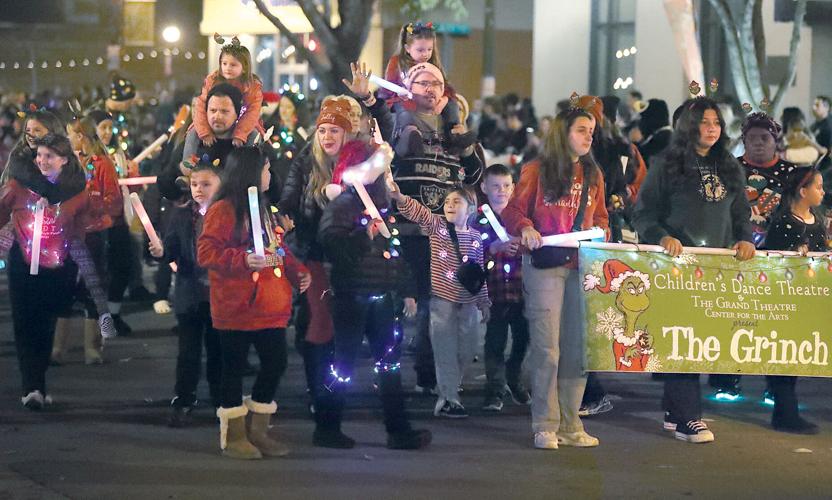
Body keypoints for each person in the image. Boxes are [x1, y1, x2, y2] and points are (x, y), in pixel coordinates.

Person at [633, 96, 755, 444]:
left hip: (718, 270)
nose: (712, 128)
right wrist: (663, 237)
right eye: (705, 122)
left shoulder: (730, 165)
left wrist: (745, 240)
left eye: (717, 122)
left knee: (703, 339)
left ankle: (674, 412)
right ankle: (689, 418)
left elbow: (741, 214)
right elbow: (643, 213)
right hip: (677, 269)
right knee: (684, 340)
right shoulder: (666, 164)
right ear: (690, 126)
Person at [502, 104, 608, 450]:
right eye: (581, 129)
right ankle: (544, 423)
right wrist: (526, 227)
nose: (588, 136)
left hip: (582, 266)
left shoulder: (594, 175)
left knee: (578, 349)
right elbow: (514, 209)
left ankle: (571, 422)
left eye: (591, 130)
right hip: (546, 264)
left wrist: (602, 232)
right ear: (564, 134)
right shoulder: (537, 170)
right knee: (548, 348)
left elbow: (603, 216)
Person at [314, 140, 432, 449]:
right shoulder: (343, 205)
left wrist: (404, 288)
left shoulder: (380, 206)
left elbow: (394, 251)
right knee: (342, 367)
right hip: (351, 297)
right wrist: (362, 237)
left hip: (381, 298)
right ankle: (326, 426)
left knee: (389, 365)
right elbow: (332, 246)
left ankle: (398, 430)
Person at [197, 146, 310, 459]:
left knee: (276, 362)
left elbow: (279, 247)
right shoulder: (223, 211)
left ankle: (257, 429)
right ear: (250, 171)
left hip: (270, 307)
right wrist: (243, 259)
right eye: (265, 169)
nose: (269, 175)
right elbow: (207, 253)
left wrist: (297, 271)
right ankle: (233, 435)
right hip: (237, 306)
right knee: (232, 368)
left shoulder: (264, 208)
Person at [1, 134, 90, 409]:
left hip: (57, 264)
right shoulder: (19, 185)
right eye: (39, 155)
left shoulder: (76, 190)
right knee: (25, 322)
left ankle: (39, 378)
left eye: (49, 156)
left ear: (65, 160)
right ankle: (32, 386)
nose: (42, 161)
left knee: (46, 322)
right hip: (23, 262)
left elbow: (81, 228)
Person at [278, 97, 353, 414]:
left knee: (343, 325)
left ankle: (336, 387)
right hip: (312, 253)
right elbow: (288, 200)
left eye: (335, 130)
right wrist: (285, 216)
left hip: (348, 258)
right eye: (323, 130)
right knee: (316, 322)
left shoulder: (357, 163)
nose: (328, 137)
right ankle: (317, 390)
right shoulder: (306, 160)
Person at [393, 183, 490, 418]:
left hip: (467, 303)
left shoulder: (476, 237)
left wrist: (484, 301)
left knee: (467, 349)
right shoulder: (438, 227)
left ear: (471, 208)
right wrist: (399, 196)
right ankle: (448, 398)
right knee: (444, 350)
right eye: (447, 202)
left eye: (457, 202)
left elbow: (478, 273)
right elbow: (418, 212)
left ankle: (448, 389)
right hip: (442, 301)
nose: (450, 206)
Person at [150, 160, 223, 427]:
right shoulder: (181, 214)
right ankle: (184, 397)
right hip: (190, 292)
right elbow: (171, 248)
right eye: (194, 184)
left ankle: (221, 399)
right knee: (188, 352)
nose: (199, 190)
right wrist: (161, 252)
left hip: (218, 295)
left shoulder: (226, 214)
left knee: (218, 351)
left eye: (206, 184)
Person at [51, 116, 122, 365]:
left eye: (70, 134)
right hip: (66, 236)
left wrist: (91, 210)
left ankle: (92, 349)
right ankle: (58, 348)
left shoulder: (102, 164)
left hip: (93, 236)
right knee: (63, 289)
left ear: (80, 137)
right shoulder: (65, 164)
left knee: (93, 288)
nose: (67, 139)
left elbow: (114, 200)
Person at [761, 166, 824, 434]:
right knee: (784, 353)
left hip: (811, 298)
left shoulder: (817, 220)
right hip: (785, 297)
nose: (823, 191)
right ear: (802, 190)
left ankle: (786, 408)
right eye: (818, 186)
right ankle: (785, 412)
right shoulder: (784, 222)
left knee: (797, 354)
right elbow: (774, 258)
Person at [473, 164, 530, 412]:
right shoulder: (478, 219)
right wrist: (492, 249)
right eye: (495, 186)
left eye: (506, 186)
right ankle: (495, 388)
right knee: (494, 340)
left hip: (520, 287)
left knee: (522, 338)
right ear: (484, 187)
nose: (501, 191)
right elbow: (470, 253)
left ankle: (513, 378)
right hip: (494, 288)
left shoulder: (520, 219)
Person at [381, 22, 475, 153]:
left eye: (429, 50)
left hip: (431, 102)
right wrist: (400, 96)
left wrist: (444, 100)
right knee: (404, 113)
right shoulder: (397, 63)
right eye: (420, 50)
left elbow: (446, 87)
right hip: (404, 102)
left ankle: (454, 136)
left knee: (452, 105)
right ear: (407, 48)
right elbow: (388, 91)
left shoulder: (433, 64)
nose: (425, 54)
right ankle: (413, 139)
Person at [193, 35, 263, 148]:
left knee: (254, 137)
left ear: (244, 67)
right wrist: (204, 131)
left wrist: (240, 133)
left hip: (242, 125)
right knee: (193, 134)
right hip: (213, 123)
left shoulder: (252, 88)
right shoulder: (213, 81)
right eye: (224, 63)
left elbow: (252, 113)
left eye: (233, 65)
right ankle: (187, 161)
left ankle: (251, 162)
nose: (227, 68)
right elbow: (201, 105)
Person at [636, 99, 673, 168]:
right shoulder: (669, 136)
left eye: (643, 118)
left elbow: (641, 160)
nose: (641, 122)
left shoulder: (660, 140)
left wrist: (634, 143)